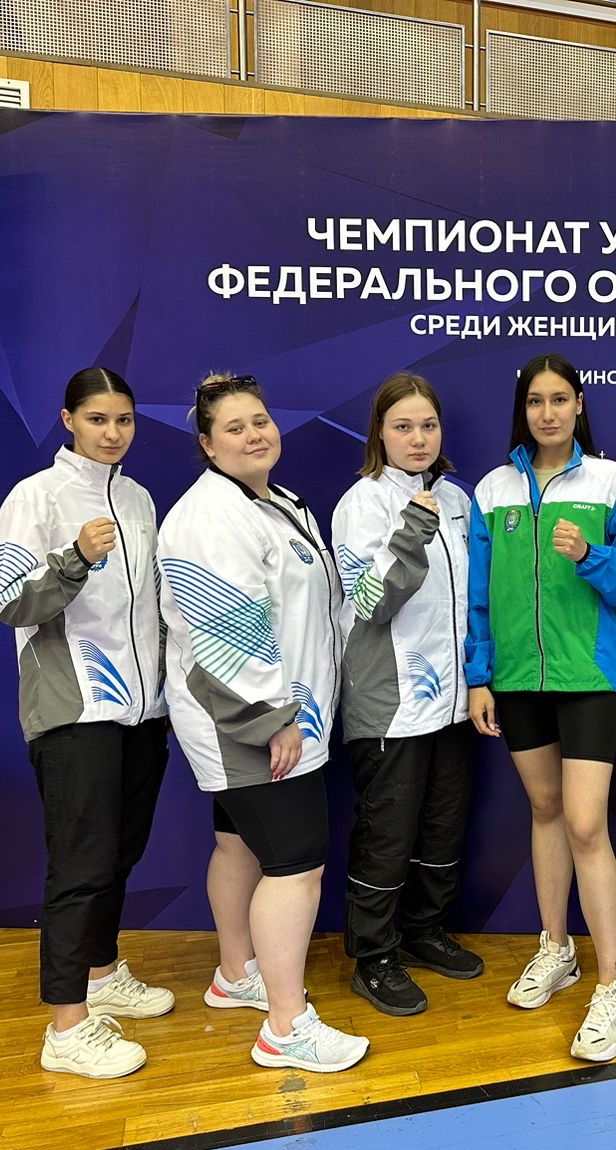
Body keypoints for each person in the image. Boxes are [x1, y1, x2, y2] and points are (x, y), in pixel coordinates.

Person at [159, 372, 366, 1074]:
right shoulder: (211, 516)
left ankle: (234, 974)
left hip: (284, 714)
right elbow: (225, 632)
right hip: (252, 723)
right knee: (295, 865)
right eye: (234, 427)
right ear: (207, 444)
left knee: (238, 845)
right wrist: (272, 719)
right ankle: (285, 1027)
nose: (254, 434)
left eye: (260, 421)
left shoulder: (275, 501)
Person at [466, 352, 616, 1062]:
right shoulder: (493, 489)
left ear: (579, 405)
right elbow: (479, 594)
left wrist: (589, 554)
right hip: (516, 681)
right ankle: (556, 948)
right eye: (536, 401)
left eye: (560, 399)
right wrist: (480, 675)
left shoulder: (613, 481)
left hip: (589, 678)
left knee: (584, 822)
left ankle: (612, 987)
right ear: (525, 409)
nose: (548, 412)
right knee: (544, 811)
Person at [0, 368, 173, 1079]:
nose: (113, 432)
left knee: (119, 853)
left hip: (141, 710)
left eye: (123, 419)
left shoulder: (138, 498)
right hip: (74, 709)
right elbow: (10, 603)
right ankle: (65, 1028)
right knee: (80, 865)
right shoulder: (34, 497)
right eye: (98, 419)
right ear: (68, 420)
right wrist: (74, 559)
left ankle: (101, 974)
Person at [332, 372, 480, 1017]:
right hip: (390, 703)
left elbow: (471, 599)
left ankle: (424, 931)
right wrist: (412, 529)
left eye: (428, 425)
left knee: (443, 828)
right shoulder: (362, 503)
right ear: (380, 433)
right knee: (387, 835)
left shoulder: (457, 499)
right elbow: (371, 601)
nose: (418, 439)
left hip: (453, 702)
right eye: (403, 427)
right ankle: (374, 956)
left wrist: (479, 679)